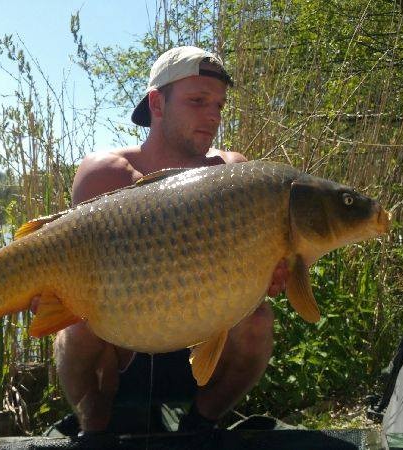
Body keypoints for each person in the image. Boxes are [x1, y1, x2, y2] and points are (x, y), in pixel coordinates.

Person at [52, 46, 288, 434]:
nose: (213, 115)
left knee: (258, 321)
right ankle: (96, 428)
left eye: (219, 105)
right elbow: (76, 274)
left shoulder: (233, 174)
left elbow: (257, 274)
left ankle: (200, 425)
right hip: (122, 350)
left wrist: (268, 274)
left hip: (204, 350)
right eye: (198, 101)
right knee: (76, 326)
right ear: (157, 103)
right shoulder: (106, 173)